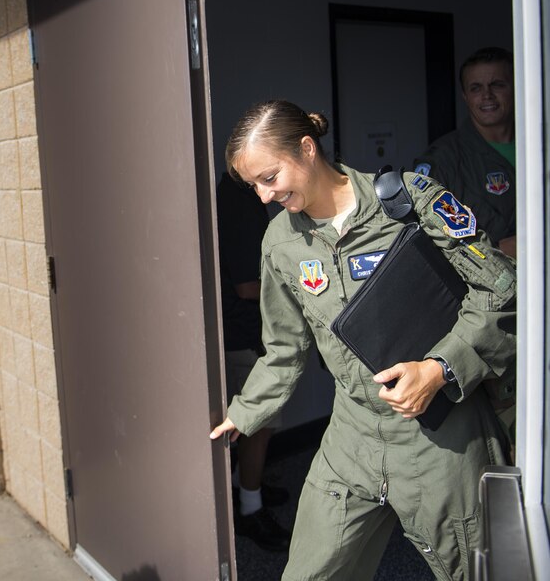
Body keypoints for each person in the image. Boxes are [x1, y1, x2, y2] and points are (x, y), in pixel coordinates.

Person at [209, 100, 516, 580]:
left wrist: (439, 368)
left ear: (307, 149)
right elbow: (285, 349)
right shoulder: (281, 244)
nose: (264, 197)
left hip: (443, 439)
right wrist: (243, 414)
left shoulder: (411, 202)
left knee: (480, 571)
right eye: (253, 186)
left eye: (269, 178)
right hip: (351, 437)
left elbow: (504, 293)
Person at [216, 172, 291, 552]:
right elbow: (248, 287)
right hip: (245, 331)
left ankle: (244, 488)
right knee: (258, 424)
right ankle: (249, 508)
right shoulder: (240, 200)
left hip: (236, 329)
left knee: (249, 426)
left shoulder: (231, 194)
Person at [413, 47, 516, 258]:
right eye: (476, 88)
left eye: (497, 85)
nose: (487, 95)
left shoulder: (539, 147)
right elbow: (427, 243)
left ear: (515, 87)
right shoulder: (442, 160)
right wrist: (496, 251)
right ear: (465, 96)